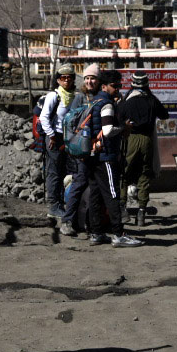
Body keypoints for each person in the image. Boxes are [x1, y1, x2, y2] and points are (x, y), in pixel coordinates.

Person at [79, 68, 143, 247]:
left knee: (96, 196)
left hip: (92, 156)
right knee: (112, 194)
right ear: (105, 86)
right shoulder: (106, 104)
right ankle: (118, 234)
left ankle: (96, 233)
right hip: (105, 156)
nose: (119, 88)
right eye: (115, 85)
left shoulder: (94, 101)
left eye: (120, 85)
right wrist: (123, 128)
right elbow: (107, 131)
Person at [118, 71, 169, 228]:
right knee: (144, 175)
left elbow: (118, 118)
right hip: (147, 141)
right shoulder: (151, 99)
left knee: (123, 173)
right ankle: (141, 213)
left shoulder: (126, 101)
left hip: (130, 139)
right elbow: (165, 115)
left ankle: (122, 209)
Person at [58, 64, 100, 237]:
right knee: (79, 183)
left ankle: (91, 224)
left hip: (98, 150)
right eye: (88, 78)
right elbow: (70, 124)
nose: (90, 81)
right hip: (82, 151)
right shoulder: (79, 98)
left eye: (93, 78)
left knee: (95, 187)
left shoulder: (101, 97)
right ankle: (67, 221)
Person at [36, 63, 76, 222]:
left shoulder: (74, 96)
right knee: (54, 172)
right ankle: (53, 206)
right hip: (55, 137)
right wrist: (51, 136)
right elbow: (44, 117)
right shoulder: (54, 96)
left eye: (69, 78)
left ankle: (61, 202)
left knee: (63, 171)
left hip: (68, 138)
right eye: (63, 78)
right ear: (58, 80)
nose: (66, 81)